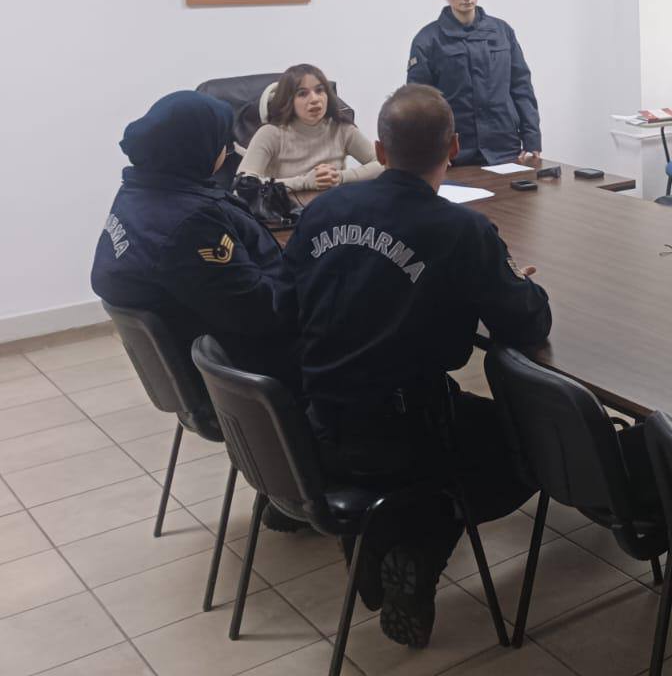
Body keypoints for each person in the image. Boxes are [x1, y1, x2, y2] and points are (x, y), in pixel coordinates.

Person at [283, 84, 553, 647]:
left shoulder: (323, 210)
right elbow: (527, 324)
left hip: (314, 425)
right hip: (406, 429)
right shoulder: (462, 231)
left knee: (469, 428)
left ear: (380, 151)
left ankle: (381, 536)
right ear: (453, 147)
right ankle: (419, 545)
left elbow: (285, 306)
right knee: (533, 443)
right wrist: (510, 282)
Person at [91, 90, 295, 379]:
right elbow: (259, 312)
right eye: (222, 142)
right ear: (197, 146)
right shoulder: (192, 224)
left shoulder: (138, 192)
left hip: (202, 350)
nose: (226, 151)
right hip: (249, 366)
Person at [407, 0, 542, 167]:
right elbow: (419, 104)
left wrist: (532, 140)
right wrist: (432, 152)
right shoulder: (427, 40)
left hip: (505, 149)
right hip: (454, 154)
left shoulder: (502, 32)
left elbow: (522, 88)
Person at [238, 63, 383, 191]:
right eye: (302, 94)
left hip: (333, 209)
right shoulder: (270, 134)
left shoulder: (342, 129)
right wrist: (304, 182)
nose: (314, 99)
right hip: (284, 211)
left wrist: (340, 177)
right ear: (288, 100)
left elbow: (383, 164)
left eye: (319, 90)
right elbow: (243, 185)